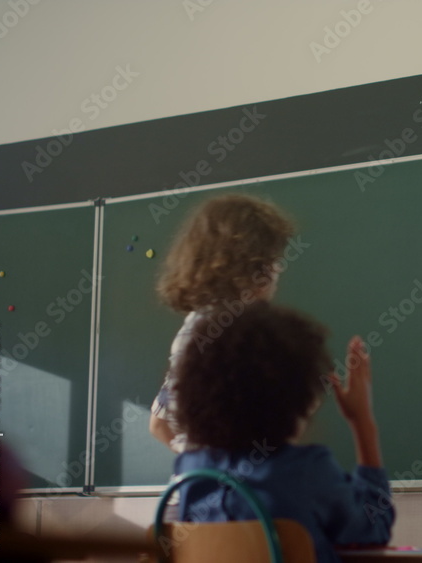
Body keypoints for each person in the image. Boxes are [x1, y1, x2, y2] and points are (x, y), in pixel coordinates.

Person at [172, 301, 394, 563]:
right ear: (293, 395)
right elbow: (375, 525)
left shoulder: (190, 472)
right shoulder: (306, 471)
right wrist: (362, 421)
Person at [149, 193, 294, 452]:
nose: (277, 269)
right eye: (271, 260)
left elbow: (158, 424)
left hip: (199, 486)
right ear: (248, 266)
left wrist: (198, 463)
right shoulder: (242, 336)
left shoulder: (195, 327)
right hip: (241, 486)